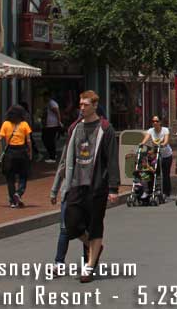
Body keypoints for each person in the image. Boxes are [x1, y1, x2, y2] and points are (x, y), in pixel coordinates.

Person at [50, 90, 119, 283]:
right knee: (71, 224)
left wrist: (113, 188)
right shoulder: (75, 129)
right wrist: (59, 186)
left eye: (85, 104)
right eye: (80, 104)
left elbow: (112, 159)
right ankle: (93, 246)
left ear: (95, 106)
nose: (81, 107)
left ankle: (89, 267)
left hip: (97, 185)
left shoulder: (106, 129)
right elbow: (66, 158)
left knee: (95, 226)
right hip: (76, 184)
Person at [0, 105, 33, 208]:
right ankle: (19, 193)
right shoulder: (24, 124)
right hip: (22, 152)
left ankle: (12, 200)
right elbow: (28, 140)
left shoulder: (6, 124)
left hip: (10, 152)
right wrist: (30, 152)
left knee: (10, 177)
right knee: (23, 176)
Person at [141, 116, 174, 199]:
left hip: (166, 155)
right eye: (153, 121)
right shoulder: (150, 130)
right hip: (157, 155)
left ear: (160, 122)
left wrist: (164, 143)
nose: (155, 123)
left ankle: (166, 192)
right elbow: (146, 138)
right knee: (154, 172)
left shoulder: (165, 130)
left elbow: (166, 140)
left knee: (165, 174)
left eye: (157, 121)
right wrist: (142, 143)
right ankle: (152, 190)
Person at [42, 91, 62, 163]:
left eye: (45, 97)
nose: (44, 98)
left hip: (52, 125)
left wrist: (59, 121)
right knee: (47, 139)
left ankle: (52, 157)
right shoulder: (49, 103)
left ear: (48, 96)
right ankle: (52, 154)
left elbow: (57, 112)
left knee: (49, 140)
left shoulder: (51, 103)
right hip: (49, 125)